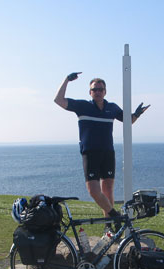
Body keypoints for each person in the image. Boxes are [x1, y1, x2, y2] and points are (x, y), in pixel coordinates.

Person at [54, 72, 150, 230]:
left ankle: (108, 227)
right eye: (94, 89)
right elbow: (58, 100)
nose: (97, 92)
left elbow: (129, 121)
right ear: (90, 92)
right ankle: (114, 215)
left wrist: (137, 114)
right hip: (90, 153)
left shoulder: (111, 108)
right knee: (93, 191)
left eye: (100, 89)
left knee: (107, 190)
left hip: (107, 153)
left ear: (105, 91)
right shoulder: (83, 106)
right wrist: (66, 80)